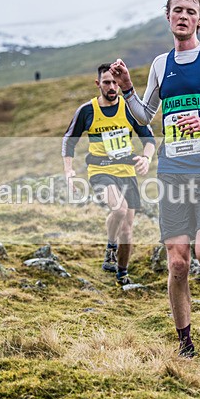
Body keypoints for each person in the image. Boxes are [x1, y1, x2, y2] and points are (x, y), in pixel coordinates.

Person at [110, 0, 200, 358]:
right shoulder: (161, 64)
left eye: (191, 11)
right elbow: (145, 116)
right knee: (177, 262)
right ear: (168, 16)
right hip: (172, 170)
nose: (183, 16)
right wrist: (128, 89)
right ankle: (185, 346)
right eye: (178, 10)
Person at [62, 63, 156, 286]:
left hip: (127, 171)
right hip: (100, 170)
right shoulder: (87, 110)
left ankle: (122, 273)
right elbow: (69, 140)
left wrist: (146, 158)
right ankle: (111, 245)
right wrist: (69, 170)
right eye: (107, 82)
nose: (112, 87)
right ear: (98, 84)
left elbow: (149, 140)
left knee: (128, 230)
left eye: (115, 82)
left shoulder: (129, 108)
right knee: (119, 208)